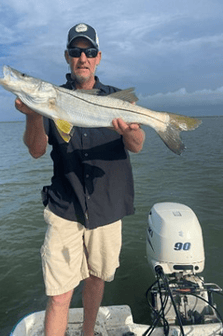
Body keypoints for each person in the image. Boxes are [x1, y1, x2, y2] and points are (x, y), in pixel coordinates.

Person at [15, 23, 145, 336]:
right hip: (64, 207)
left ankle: (88, 333)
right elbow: (35, 150)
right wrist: (34, 114)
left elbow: (137, 145)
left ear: (98, 57)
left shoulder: (117, 98)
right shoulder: (50, 99)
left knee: (96, 278)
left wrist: (130, 131)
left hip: (108, 205)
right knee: (59, 294)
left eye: (88, 51)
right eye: (75, 51)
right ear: (67, 57)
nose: (82, 58)